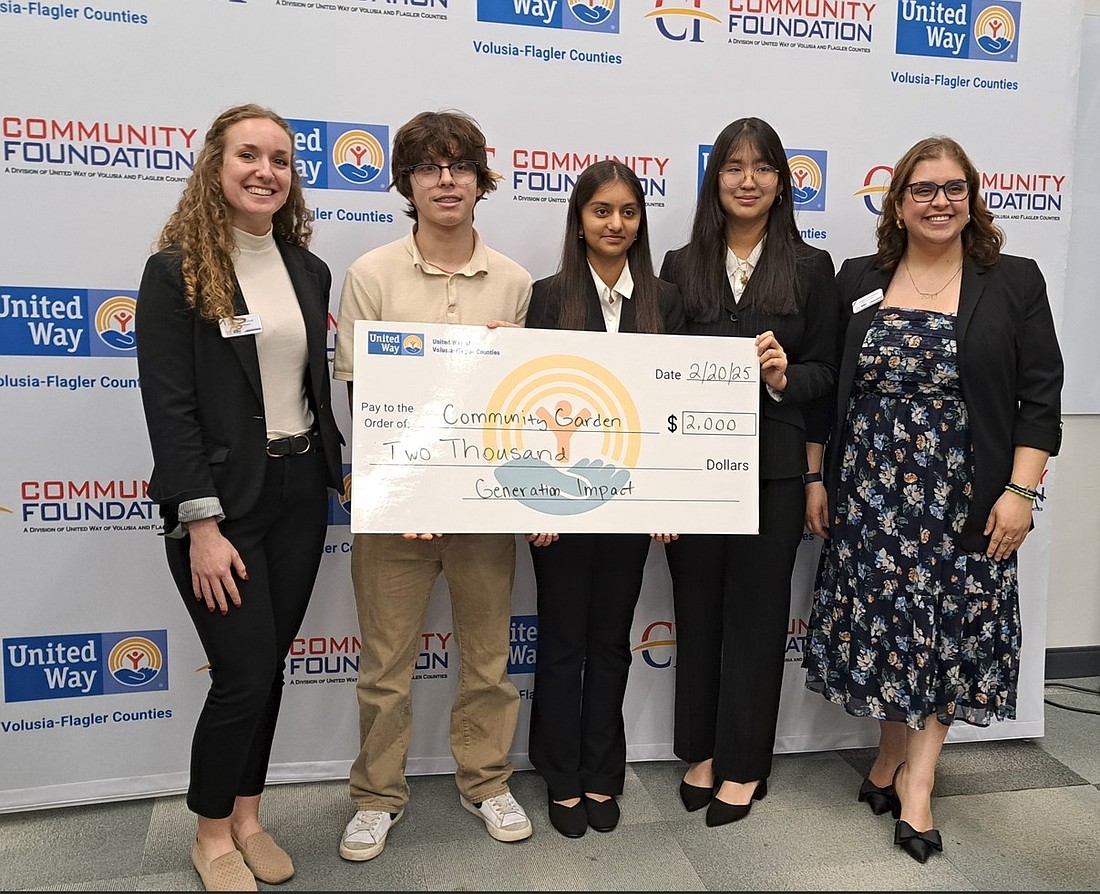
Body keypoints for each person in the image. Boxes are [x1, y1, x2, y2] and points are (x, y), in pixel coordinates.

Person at [802, 136, 1064, 863]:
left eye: (954, 188)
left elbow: (1040, 395)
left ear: (973, 198)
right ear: (898, 202)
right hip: (872, 497)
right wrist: (816, 475)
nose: (940, 201)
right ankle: (886, 761)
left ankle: (918, 785)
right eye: (923, 188)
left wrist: (1020, 491)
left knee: (944, 639)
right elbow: (831, 385)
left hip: (966, 498)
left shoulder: (1012, 280)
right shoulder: (859, 276)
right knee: (890, 632)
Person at [135, 103, 345, 891]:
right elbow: (170, 408)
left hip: (298, 494)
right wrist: (202, 525)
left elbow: (306, 389)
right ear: (215, 168)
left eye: (281, 160)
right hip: (221, 509)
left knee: (273, 667)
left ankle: (250, 816)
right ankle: (211, 833)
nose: (265, 171)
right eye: (248, 156)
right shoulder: (177, 270)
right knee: (243, 673)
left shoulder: (306, 269)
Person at [332, 109, 534, 861]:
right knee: (386, 664)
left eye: (458, 166)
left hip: (483, 506)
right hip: (395, 507)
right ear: (407, 184)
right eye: (427, 167)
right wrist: (407, 492)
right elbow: (363, 399)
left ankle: (485, 781)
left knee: (487, 658)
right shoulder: (371, 274)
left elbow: (521, 405)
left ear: (482, 180)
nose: (444, 180)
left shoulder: (514, 282)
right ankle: (377, 796)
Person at [658, 117, 839, 827]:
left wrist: (783, 376)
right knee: (697, 615)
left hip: (773, 471)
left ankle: (744, 765)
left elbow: (828, 375)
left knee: (759, 621)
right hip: (694, 470)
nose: (746, 179)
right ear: (715, 179)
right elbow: (657, 376)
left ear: (781, 183)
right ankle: (699, 752)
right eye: (733, 166)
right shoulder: (680, 263)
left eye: (762, 167)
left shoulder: (810, 267)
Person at [524, 160, 684, 838]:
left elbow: (673, 406)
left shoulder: (666, 300)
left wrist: (669, 499)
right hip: (559, 501)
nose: (615, 224)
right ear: (580, 222)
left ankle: (601, 773)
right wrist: (532, 505)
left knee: (611, 643)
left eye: (627, 211)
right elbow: (526, 408)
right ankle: (561, 777)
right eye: (601, 211)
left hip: (633, 502)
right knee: (562, 643)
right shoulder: (548, 295)